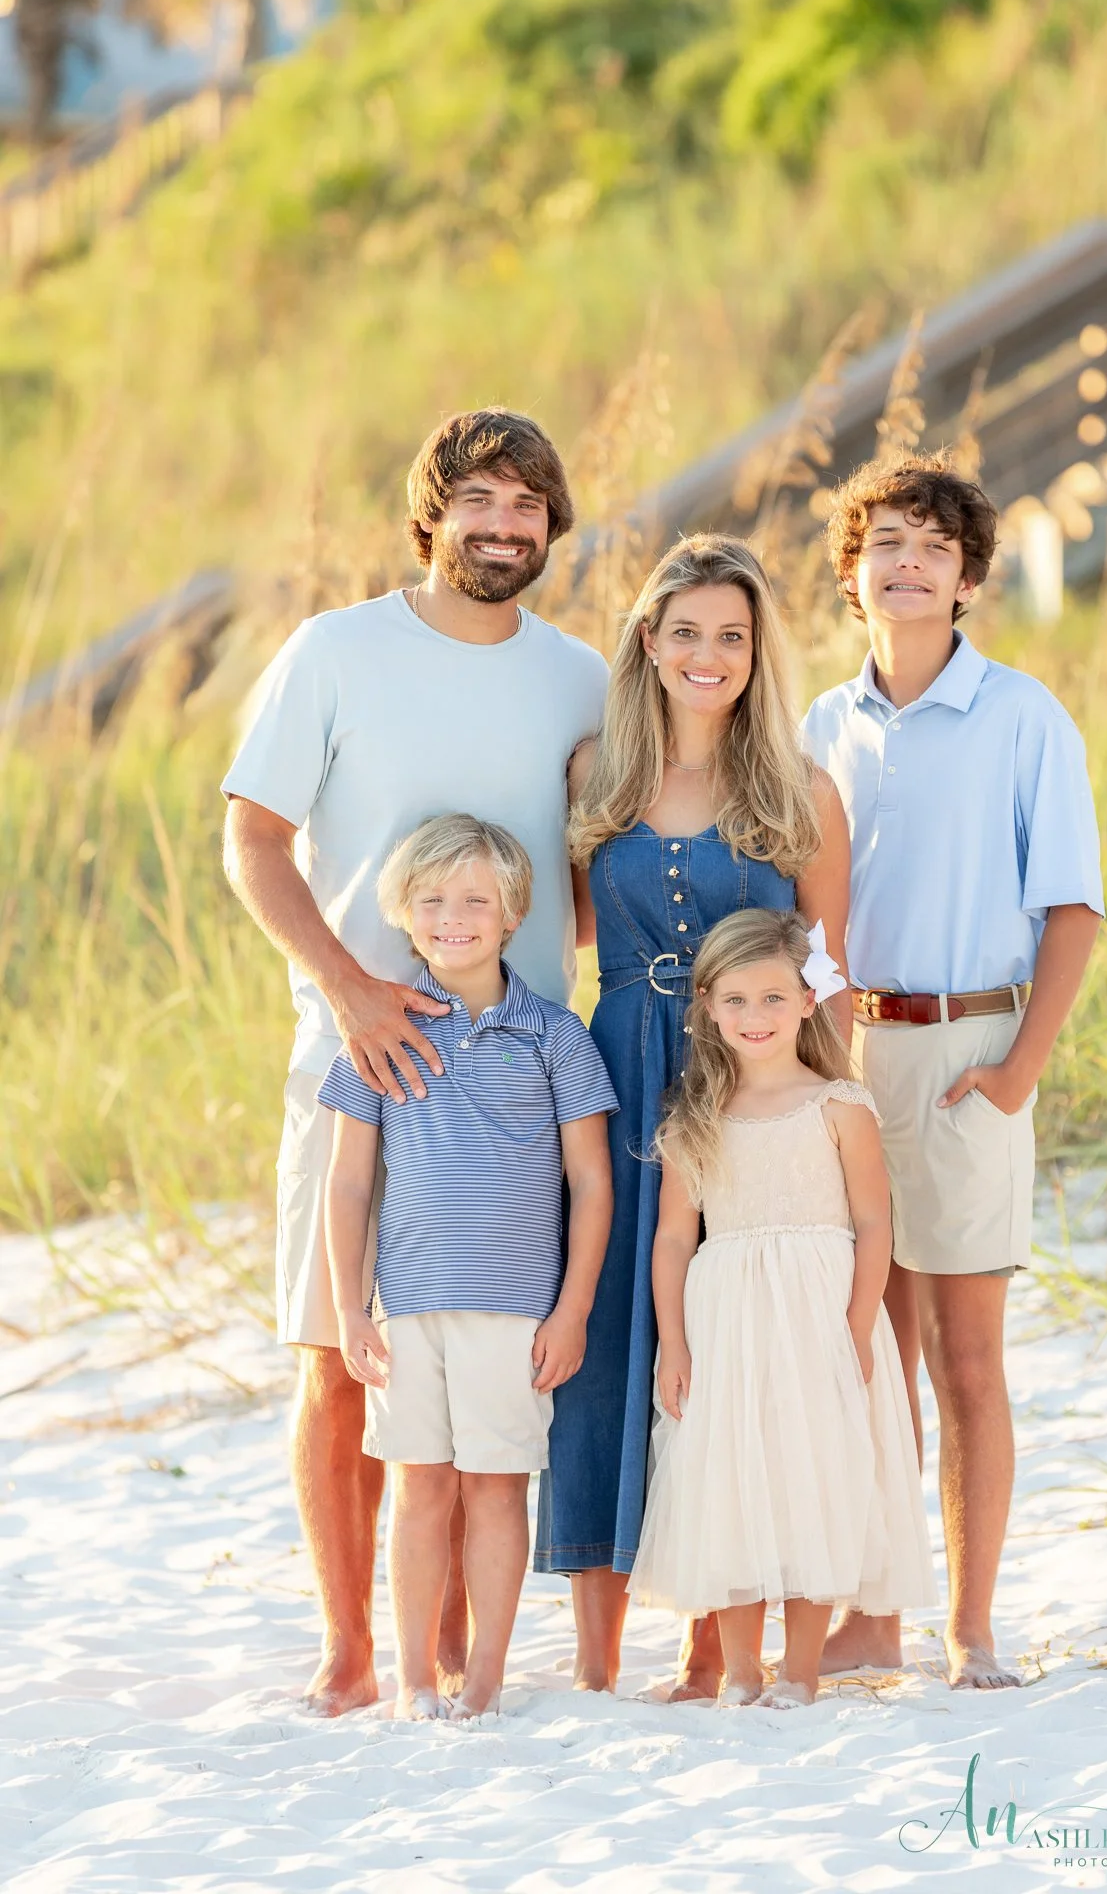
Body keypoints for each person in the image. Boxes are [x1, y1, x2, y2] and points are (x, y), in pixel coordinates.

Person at [221, 409, 607, 1715]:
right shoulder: (333, 653)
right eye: (478, 505)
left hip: (514, 1085)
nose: (502, 530)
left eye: (527, 509)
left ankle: (443, 1651)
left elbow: (587, 868)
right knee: (343, 1355)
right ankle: (348, 1651)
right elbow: (255, 841)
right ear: (429, 515)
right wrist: (347, 990)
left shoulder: (581, 678)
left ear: (552, 526)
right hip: (362, 1063)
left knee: (475, 1357)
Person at [801, 450, 1104, 1690]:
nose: (909, 561)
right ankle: (877, 1615)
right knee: (874, 1351)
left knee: (966, 1357)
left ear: (968, 574)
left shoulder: (1022, 715)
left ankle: (970, 1624)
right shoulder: (823, 721)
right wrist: (820, 1059)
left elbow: (1071, 909)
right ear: (853, 573)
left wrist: (1019, 1069)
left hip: (974, 1050)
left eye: (933, 543)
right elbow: (811, 912)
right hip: (852, 1051)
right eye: (886, 542)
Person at [537, 535, 853, 1699]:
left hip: (750, 1088)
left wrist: (822, 1132)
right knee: (611, 1337)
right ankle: (593, 1655)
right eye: (684, 632)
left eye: (730, 633)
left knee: (728, 1348)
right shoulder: (593, 776)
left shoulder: (798, 790)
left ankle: (712, 1645)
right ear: (647, 642)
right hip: (617, 1072)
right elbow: (548, 930)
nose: (706, 654)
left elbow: (830, 977)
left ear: (756, 647)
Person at [322, 814, 616, 1718]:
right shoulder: (377, 1034)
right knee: (418, 1489)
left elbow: (593, 1186)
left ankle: (484, 1676)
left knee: (494, 1492)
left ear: (514, 912)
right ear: (405, 917)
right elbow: (347, 1184)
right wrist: (349, 1309)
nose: (456, 918)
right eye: (434, 901)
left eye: (477, 900)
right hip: (407, 1308)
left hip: (517, 1314)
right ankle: (414, 1678)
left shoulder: (555, 1036)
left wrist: (570, 1314)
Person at [628, 908, 933, 1705]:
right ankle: (739, 1673)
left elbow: (874, 1224)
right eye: (735, 1001)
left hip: (818, 1313)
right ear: (706, 1009)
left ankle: (798, 1673)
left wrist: (859, 1327)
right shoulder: (695, 1118)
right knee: (731, 1478)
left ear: (807, 1001)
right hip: (726, 1317)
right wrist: (675, 1344)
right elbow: (670, 1242)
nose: (754, 1017)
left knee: (814, 1477)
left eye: (772, 998)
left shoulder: (840, 1105)